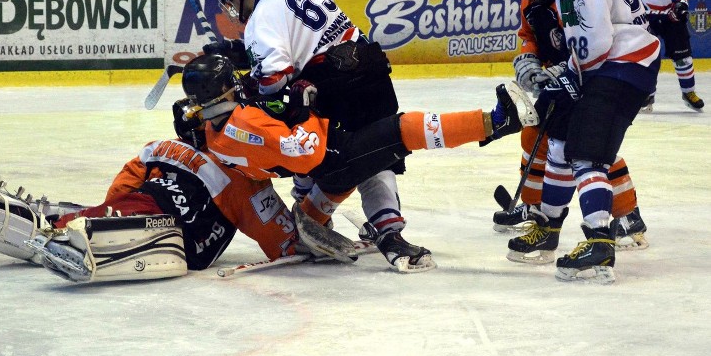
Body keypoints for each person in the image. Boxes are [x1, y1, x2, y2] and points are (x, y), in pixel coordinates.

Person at [176, 53, 539, 272]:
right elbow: (305, 151)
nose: (237, 86)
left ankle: (310, 219)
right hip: (335, 158)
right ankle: (496, 122)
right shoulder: (241, 127)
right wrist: (306, 108)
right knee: (402, 131)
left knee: (389, 148)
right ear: (216, 94)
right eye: (229, 83)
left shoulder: (215, 125)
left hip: (328, 169)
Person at [0, 106, 351, 282]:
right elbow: (285, 244)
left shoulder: (165, 146)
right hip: (170, 233)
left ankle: (29, 215)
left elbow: (122, 185)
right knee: (100, 227)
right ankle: (3, 213)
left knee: (99, 214)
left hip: (141, 205)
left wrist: (114, 205)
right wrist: (322, 209)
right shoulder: (248, 182)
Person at [208, 0, 426, 270]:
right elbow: (304, 39)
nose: (230, 6)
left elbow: (274, 78)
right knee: (379, 151)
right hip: (373, 72)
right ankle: (389, 226)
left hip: (340, 87)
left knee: (301, 131)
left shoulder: (259, 19)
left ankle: (312, 215)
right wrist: (241, 52)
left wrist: (249, 83)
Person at [531, 0, 661, 283]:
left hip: (617, 65)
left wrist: (572, 75)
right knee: (569, 142)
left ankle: (600, 243)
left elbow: (594, 39)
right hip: (631, 63)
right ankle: (553, 226)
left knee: (587, 155)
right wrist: (572, 70)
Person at [492, 0, 648, 258]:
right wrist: (529, 65)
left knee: (590, 149)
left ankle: (627, 212)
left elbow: (590, 45)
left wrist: (561, 71)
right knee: (538, 136)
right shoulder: (531, 4)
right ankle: (538, 210)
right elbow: (528, 39)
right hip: (563, 81)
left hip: (591, 77)